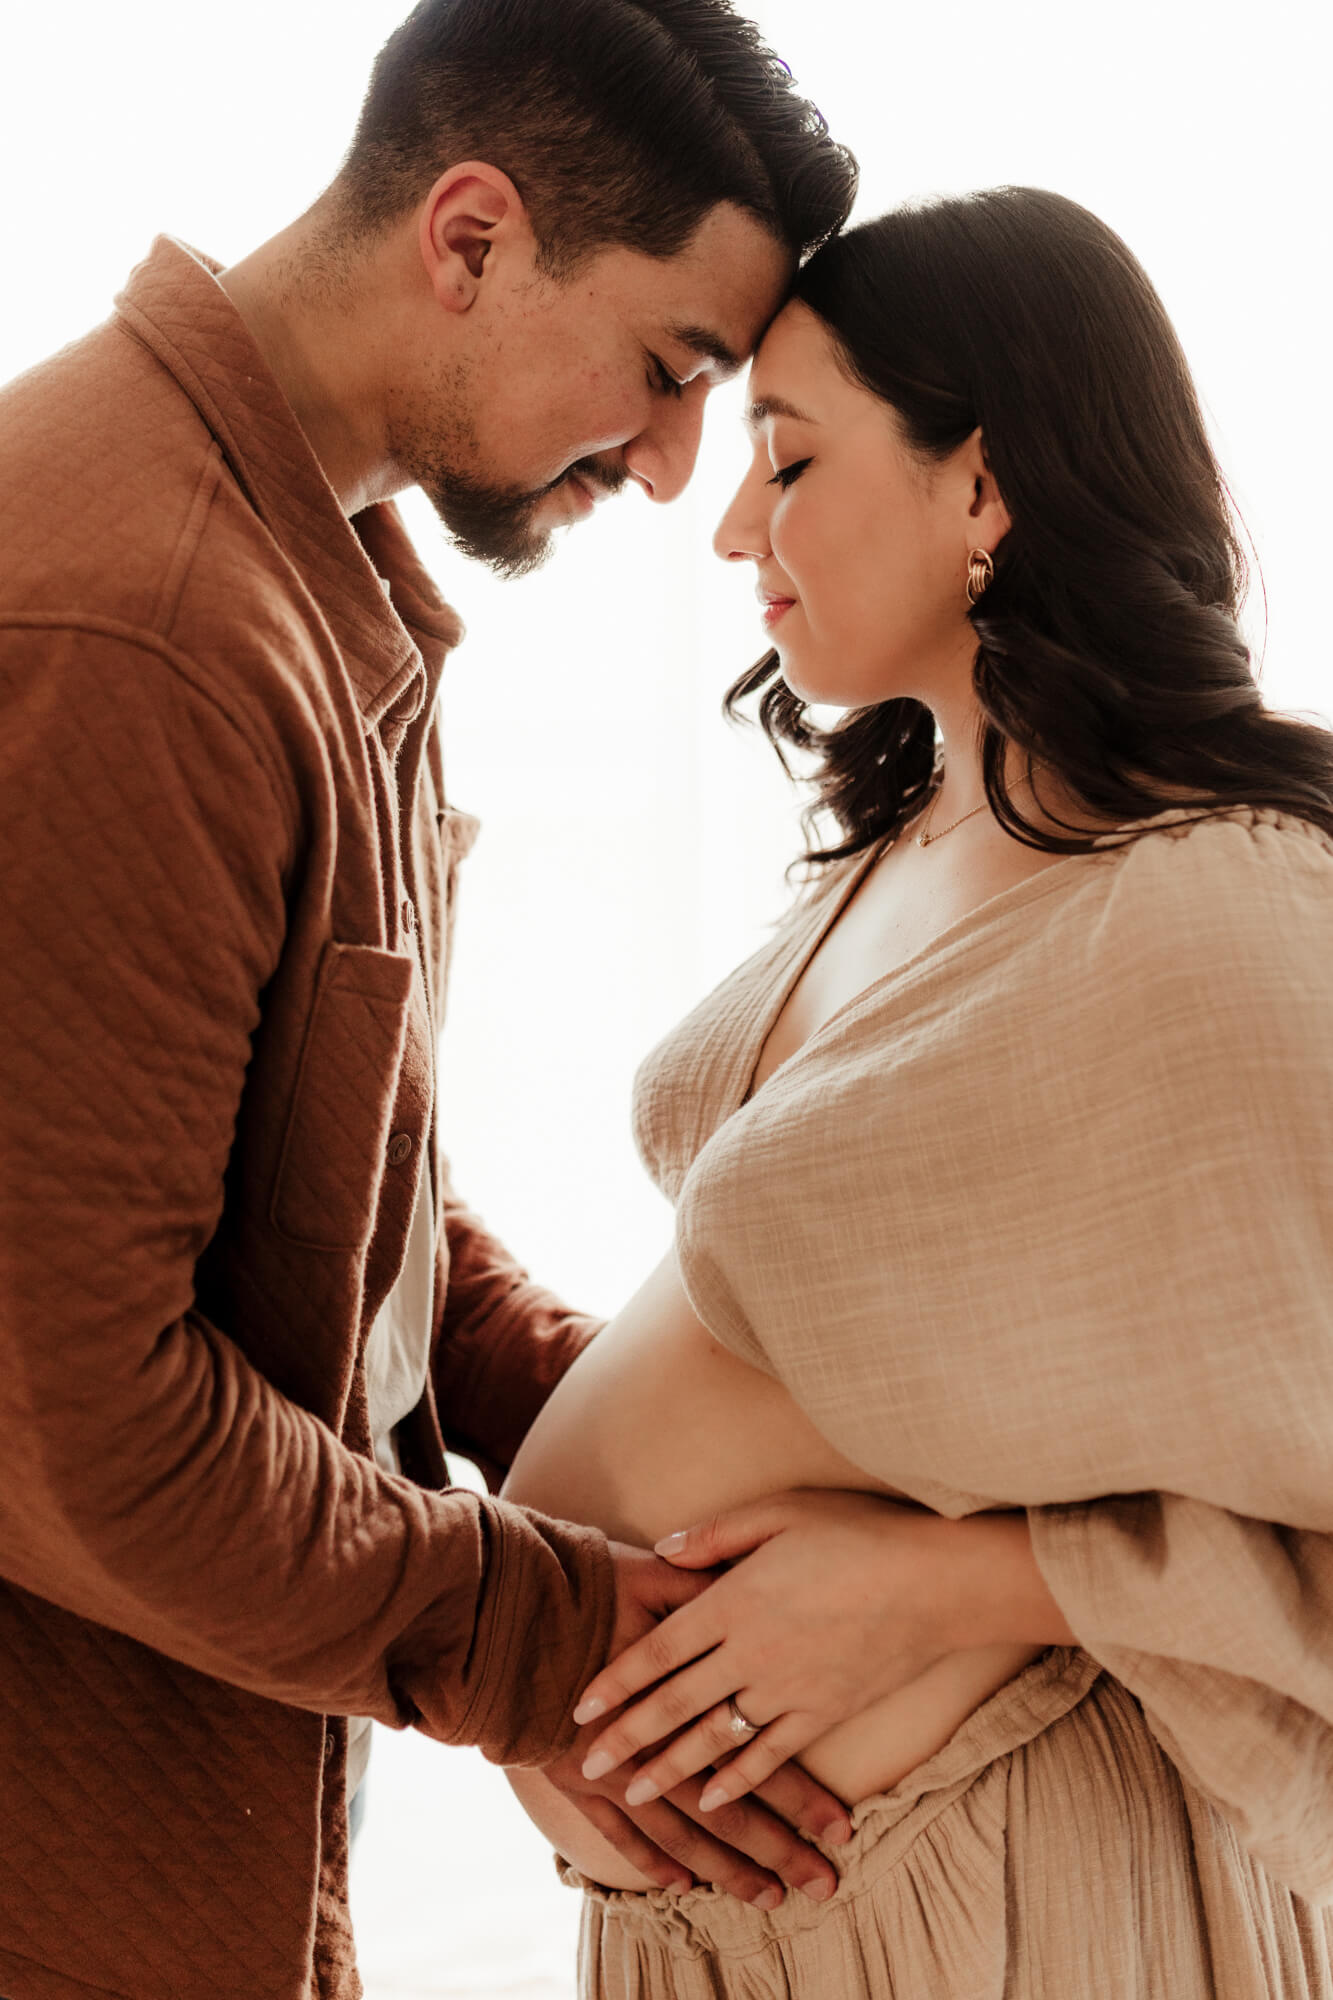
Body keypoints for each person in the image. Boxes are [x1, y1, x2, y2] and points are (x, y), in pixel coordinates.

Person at [0, 3, 860, 1994]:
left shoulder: (304, 580)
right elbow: (75, 1415)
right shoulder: (144, 629)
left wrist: (608, 1424)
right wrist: (568, 1638)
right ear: (469, 236)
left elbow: (312, 1191)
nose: (668, 473)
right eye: (670, 374)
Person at [500, 187, 1333, 1996]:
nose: (730, 526)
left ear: (984, 487)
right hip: (723, 1924)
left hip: (1009, 1895)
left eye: (785, 461)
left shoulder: (1219, 911)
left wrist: (972, 1590)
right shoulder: (906, 836)